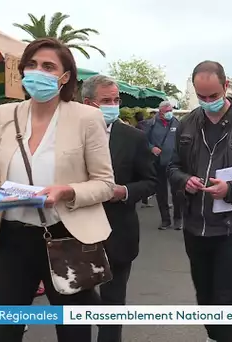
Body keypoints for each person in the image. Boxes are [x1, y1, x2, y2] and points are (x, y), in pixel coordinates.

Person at [0, 38, 114, 342]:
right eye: (31, 65)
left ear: (65, 76)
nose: (37, 72)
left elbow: (105, 184)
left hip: (66, 238)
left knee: (73, 331)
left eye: (48, 66)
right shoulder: (6, 114)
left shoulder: (86, 117)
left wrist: (66, 191)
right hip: (11, 239)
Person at [168, 60, 232, 342]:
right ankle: (216, 334)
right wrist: (184, 180)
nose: (208, 102)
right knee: (204, 294)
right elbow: (173, 167)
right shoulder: (187, 123)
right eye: (202, 96)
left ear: (226, 86)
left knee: (225, 297)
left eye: (213, 95)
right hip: (195, 226)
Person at [82, 75, 158, 342]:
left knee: (113, 303)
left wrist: (124, 192)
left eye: (116, 100)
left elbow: (150, 181)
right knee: (77, 303)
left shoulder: (133, 138)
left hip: (118, 233)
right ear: (88, 103)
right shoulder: (67, 135)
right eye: (106, 100)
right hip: (75, 235)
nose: (112, 105)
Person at [144, 100, 182, 230]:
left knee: (177, 192)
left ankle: (178, 219)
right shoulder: (151, 124)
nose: (169, 113)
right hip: (158, 163)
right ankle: (165, 220)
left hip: (175, 164)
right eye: (167, 111)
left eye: (171, 110)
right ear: (160, 112)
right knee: (161, 193)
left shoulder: (177, 123)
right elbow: (143, 140)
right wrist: (151, 148)